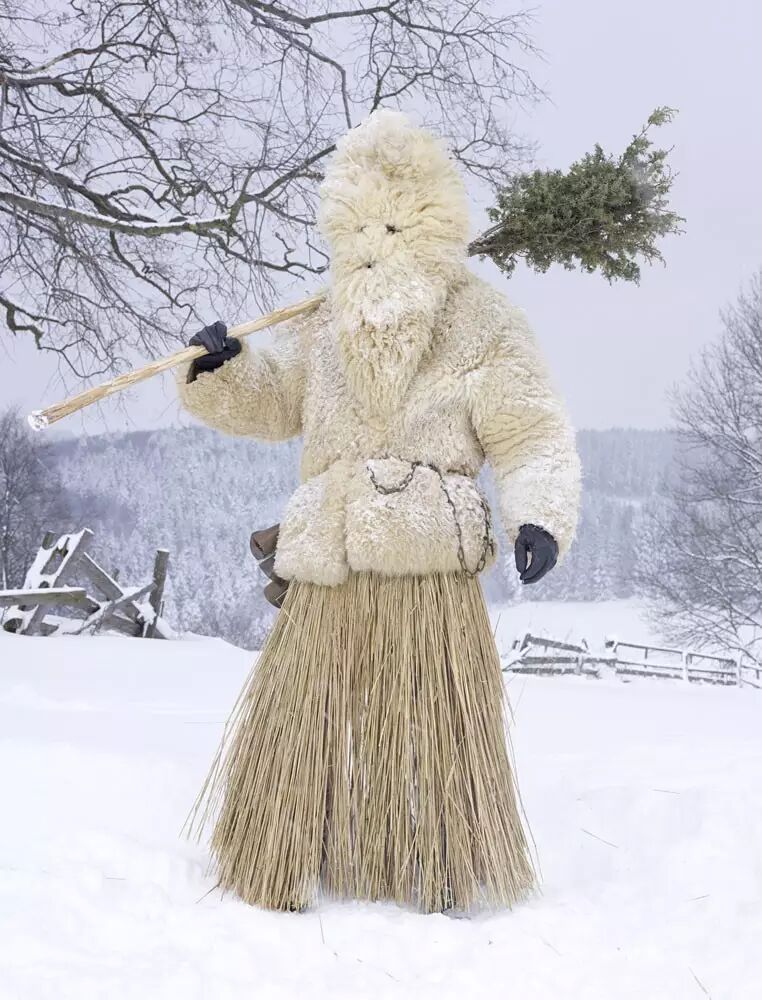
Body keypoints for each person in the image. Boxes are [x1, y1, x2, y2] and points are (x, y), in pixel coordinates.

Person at [179, 109, 581, 913]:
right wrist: (224, 369)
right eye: (360, 226)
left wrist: (538, 516)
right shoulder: (320, 323)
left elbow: (530, 430)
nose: (375, 244)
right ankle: (282, 852)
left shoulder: (483, 320)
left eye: (393, 225)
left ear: (432, 223)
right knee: (302, 722)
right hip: (329, 558)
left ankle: (437, 864)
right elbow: (273, 403)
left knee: (433, 730)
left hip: (430, 566)